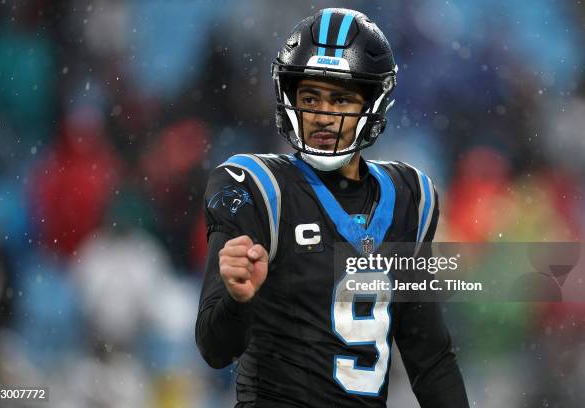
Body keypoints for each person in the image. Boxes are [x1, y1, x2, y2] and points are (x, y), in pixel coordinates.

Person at [196, 8, 469, 407]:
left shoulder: (410, 197)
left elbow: (430, 359)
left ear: (372, 105)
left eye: (341, 99)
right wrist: (238, 300)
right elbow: (215, 349)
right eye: (310, 97)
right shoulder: (256, 188)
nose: (322, 116)